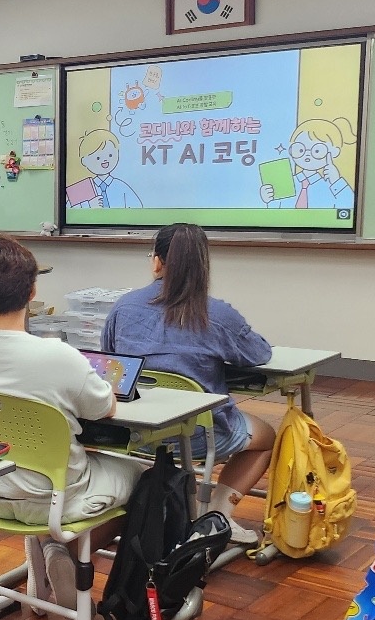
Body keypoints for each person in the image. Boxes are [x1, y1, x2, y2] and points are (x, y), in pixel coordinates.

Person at [0, 236, 140, 605]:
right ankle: (60, 552)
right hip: (53, 500)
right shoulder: (59, 356)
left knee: (37, 461)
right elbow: (105, 409)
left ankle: (48, 555)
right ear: (33, 291)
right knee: (147, 476)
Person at [102, 223, 275, 544]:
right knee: (267, 436)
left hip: (137, 435)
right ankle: (218, 515)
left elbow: (110, 361)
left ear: (156, 261)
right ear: (202, 265)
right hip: (198, 436)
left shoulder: (123, 307)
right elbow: (260, 353)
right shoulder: (218, 314)